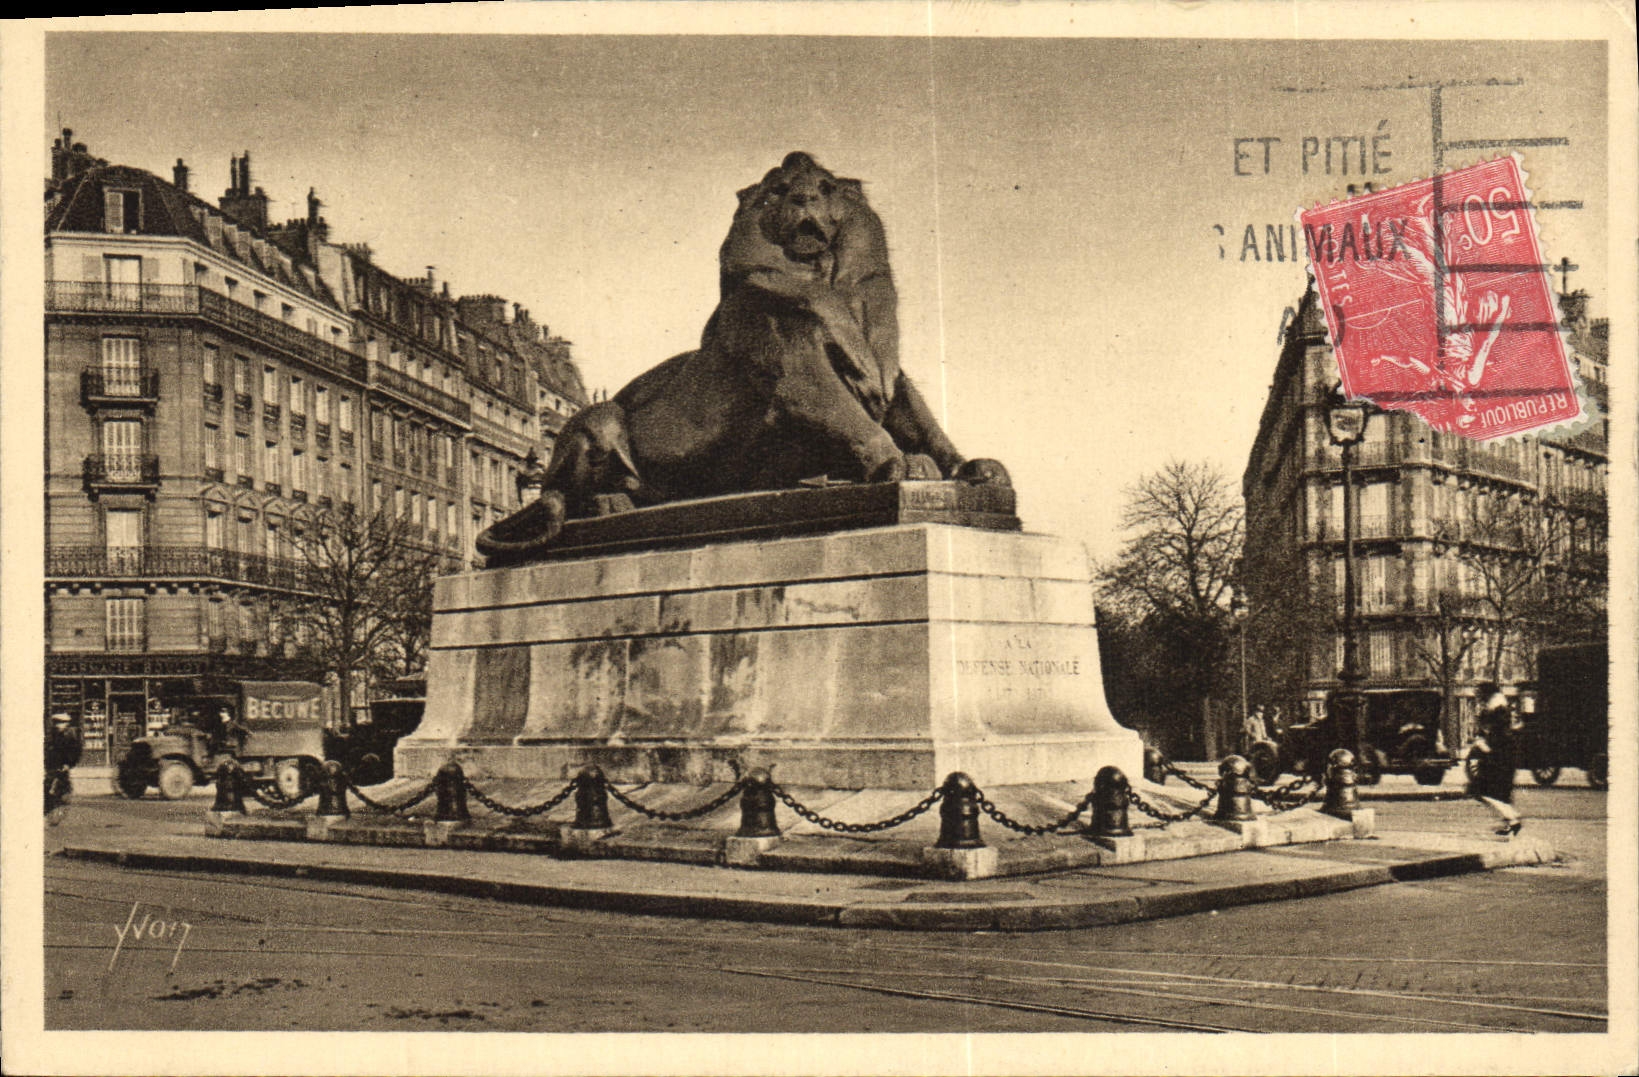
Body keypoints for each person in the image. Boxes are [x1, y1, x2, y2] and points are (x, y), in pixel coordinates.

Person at [1468, 682, 1523, 836]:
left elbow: (1498, 733)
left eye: (1479, 694)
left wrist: (1484, 745)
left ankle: (1512, 819)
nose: (1478, 697)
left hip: (1499, 755)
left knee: (1483, 790)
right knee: (1499, 792)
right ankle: (1510, 820)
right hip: (1504, 754)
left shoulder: (1495, 710)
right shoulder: (1500, 706)